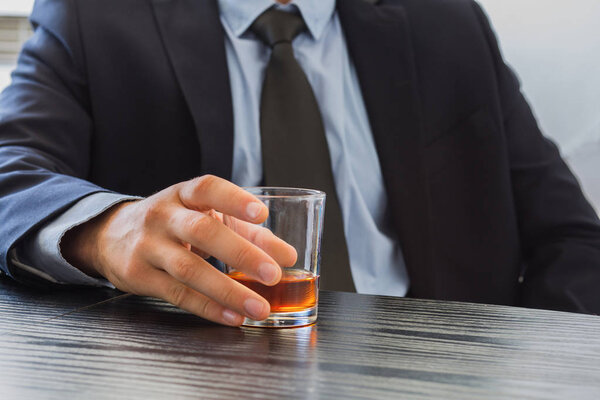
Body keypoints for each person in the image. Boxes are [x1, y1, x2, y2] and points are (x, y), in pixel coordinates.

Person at [1, 0, 599, 327]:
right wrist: (106, 229)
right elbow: (9, 172)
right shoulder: (92, 15)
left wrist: (529, 358)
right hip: (201, 374)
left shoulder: (446, 20)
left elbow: (573, 239)